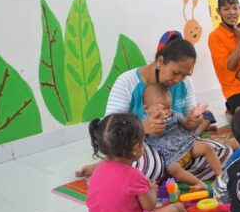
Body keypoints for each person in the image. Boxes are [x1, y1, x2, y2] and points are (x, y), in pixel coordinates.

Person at [76, 35, 232, 182]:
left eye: (184, 75)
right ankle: (114, 167)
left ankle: (170, 173)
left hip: (178, 145)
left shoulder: (185, 83)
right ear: (160, 61)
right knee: (150, 168)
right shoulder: (127, 82)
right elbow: (110, 131)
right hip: (143, 145)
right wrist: (143, 128)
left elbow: (189, 128)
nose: (178, 80)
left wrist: (193, 121)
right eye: (175, 73)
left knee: (223, 153)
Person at [86, 113, 186, 212]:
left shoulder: (99, 168)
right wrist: (151, 190)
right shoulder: (134, 175)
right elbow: (149, 206)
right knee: (173, 210)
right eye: (143, 142)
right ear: (135, 148)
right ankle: (175, 209)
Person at [142, 84, 224, 188]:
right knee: (173, 169)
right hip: (172, 156)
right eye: (162, 108)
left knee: (206, 147)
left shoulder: (173, 114)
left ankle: (220, 174)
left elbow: (184, 122)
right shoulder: (145, 122)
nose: (167, 111)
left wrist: (192, 117)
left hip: (188, 145)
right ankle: (199, 183)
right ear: (146, 108)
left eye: (169, 107)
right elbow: (142, 135)